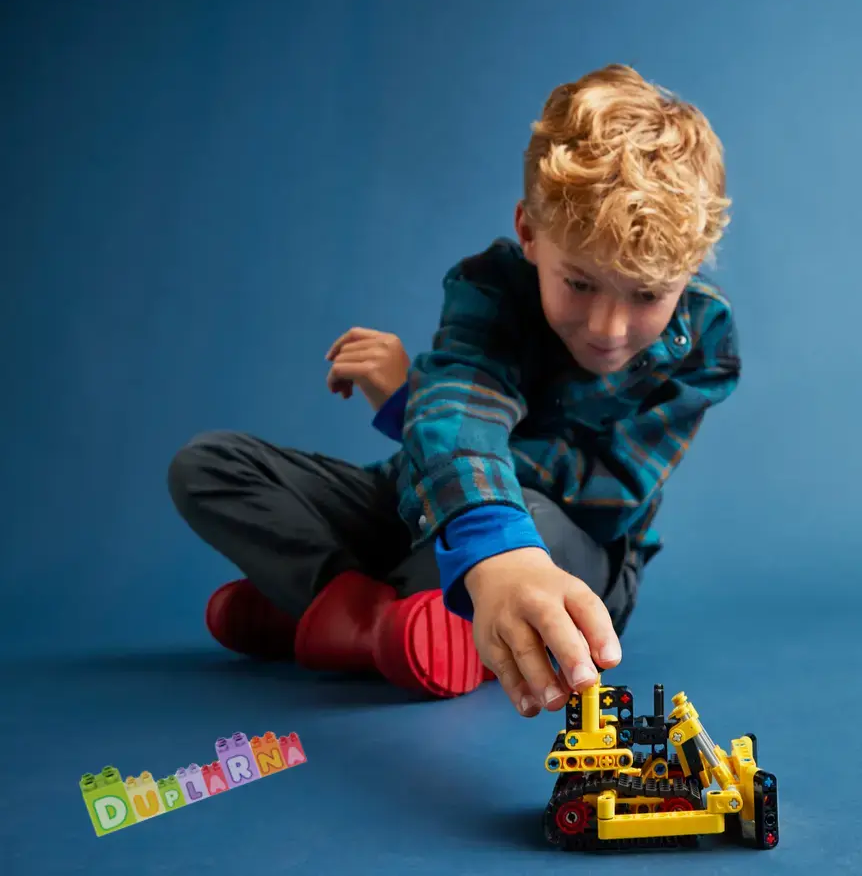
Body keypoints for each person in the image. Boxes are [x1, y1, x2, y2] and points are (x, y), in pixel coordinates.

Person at [167, 63, 741, 719]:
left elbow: (604, 493)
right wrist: (445, 448)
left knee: (530, 514)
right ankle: (357, 614)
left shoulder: (706, 342)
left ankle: (316, 608)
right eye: (579, 283)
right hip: (426, 500)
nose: (609, 328)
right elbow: (464, 400)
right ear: (529, 233)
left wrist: (409, 408)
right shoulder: (491, 289)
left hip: (571, 548)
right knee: (208, 466)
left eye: (645, 295)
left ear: (688, 269)